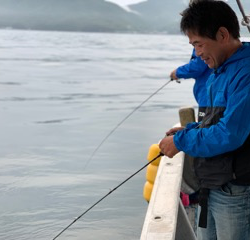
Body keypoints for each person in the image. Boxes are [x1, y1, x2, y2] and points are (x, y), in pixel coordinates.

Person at [159, 1, 250, 240]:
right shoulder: (216, 72)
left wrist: (181, 142)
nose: (197, 54)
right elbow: (212, 120)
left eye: (199, 44)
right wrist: (187, 130)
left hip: (236, 191)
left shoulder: (246, 72)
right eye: (193, 46)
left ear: (222, 34)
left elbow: (229, 134)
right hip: (211, 183)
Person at [170, 48, 212, 121]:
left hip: (208, 98)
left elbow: (198, 66)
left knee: (205, 128)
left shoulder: (202, 42)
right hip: (213, 97)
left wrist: (177, 72)